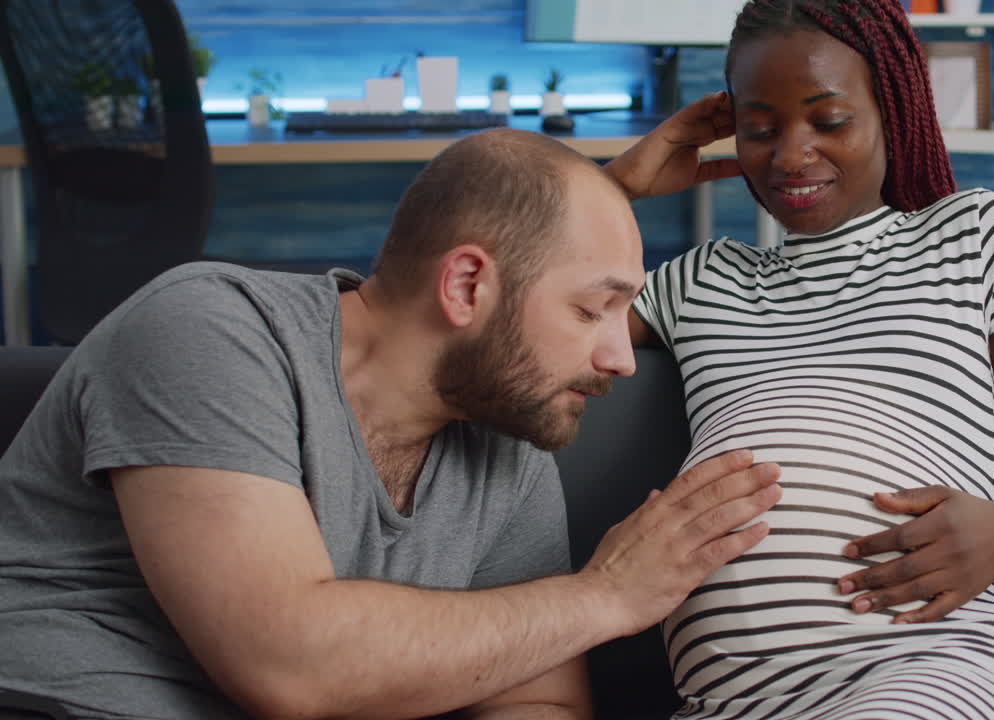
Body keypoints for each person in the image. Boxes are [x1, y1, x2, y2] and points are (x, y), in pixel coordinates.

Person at [0, 129, 783, 719]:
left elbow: (536, 701)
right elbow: (287, 663)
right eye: (592, 309)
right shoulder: (208, 332)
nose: (620, 355)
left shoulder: (509, 444)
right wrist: (607, 597)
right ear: (467, 284)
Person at [602, 0, 994, 718]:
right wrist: (611, 186)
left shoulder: (975, 235)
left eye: (830, 120)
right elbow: (506, 322)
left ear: (891, 111)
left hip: (931, 667)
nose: (789, 155)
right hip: (728, 702)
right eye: (759, 129)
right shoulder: (703, 279)